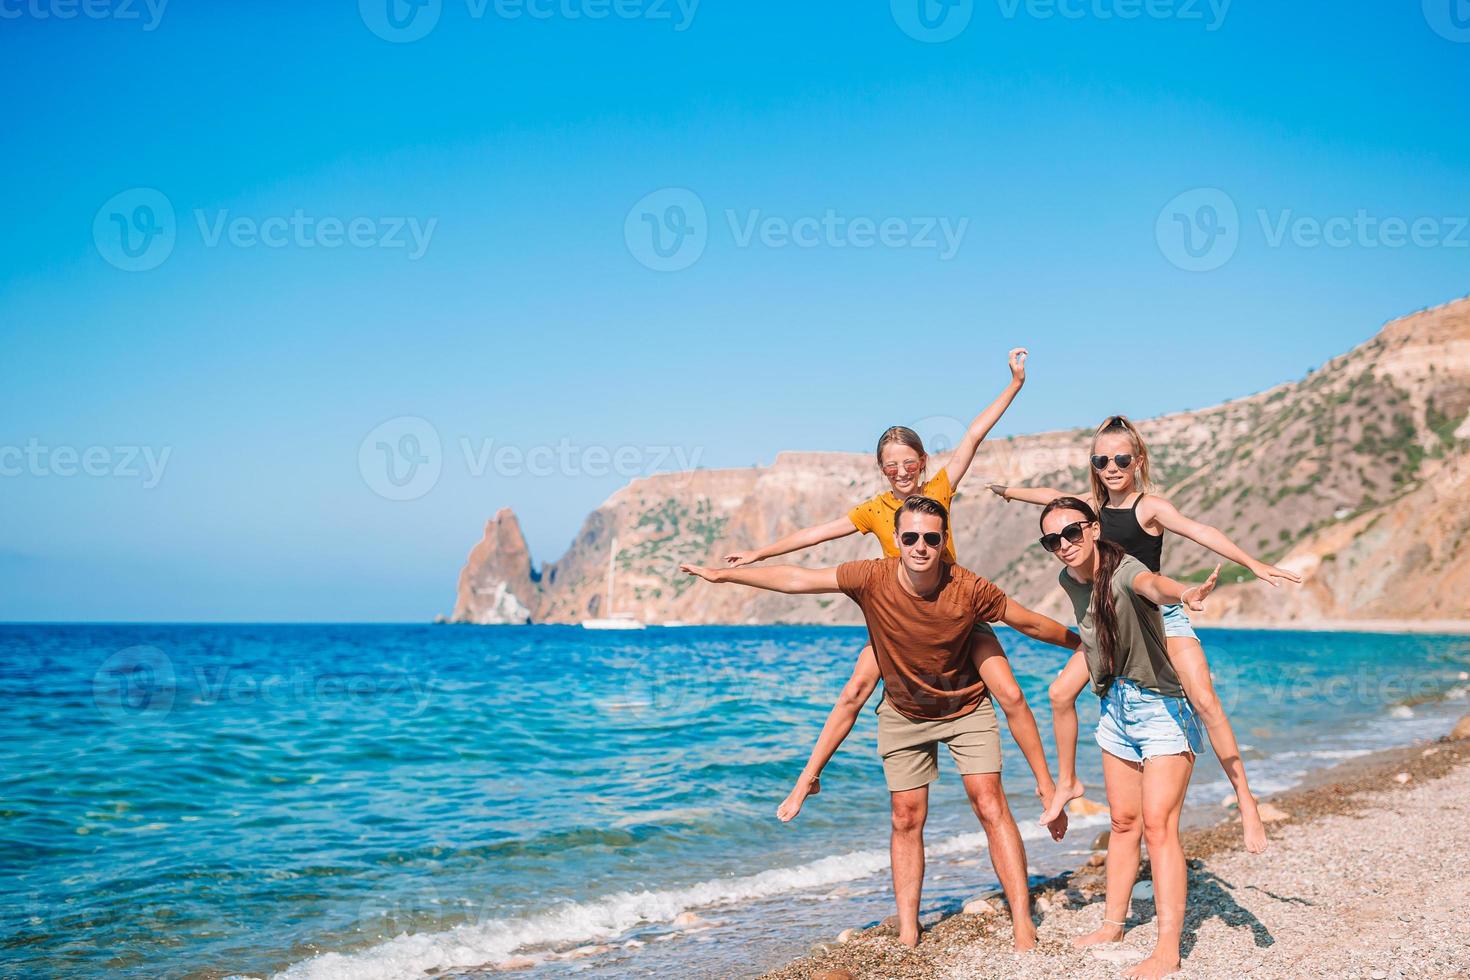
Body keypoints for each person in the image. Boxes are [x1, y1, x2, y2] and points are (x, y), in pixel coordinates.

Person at [682, 496, 1080, 951]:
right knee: (906, 817)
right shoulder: (871, 576)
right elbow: (797, 579)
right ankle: (909, 929)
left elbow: (1029, 623)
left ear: (943, 540)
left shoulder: (968, 588)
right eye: (910, 537)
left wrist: (1085, 645)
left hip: (966, 706)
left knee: (989, 803)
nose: (920, 547)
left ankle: (1023, 922)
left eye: (931, 538)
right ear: (897, 540)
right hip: (904, 711)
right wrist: (725, 574)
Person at [725, 350, 1062, 824]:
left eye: (908, 463)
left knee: (1009, 694)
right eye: (891, 466)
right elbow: (816, 534)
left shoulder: (939, 490)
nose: (901, 472)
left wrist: (1015, 384)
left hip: (956, 615)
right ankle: (807, 778)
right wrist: (759, 554)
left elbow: (973, 436)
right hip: (900, 626)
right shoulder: (873, 509)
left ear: (922, 463)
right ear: (881, 469)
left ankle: (1049, 789)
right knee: (855, 690)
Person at [990, 415, 1297, 851]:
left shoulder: (1148, 507)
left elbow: (1198, 529)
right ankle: (1069, 782)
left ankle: (1245, 800)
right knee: (1060, 694)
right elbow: (1045, 497)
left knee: (1205, 700)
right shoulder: (1088, 511)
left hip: (1159, 618)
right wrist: (1006, 492)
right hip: (1112, 629)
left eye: (1120, 458)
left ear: (1138, 460)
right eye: (1101, 460)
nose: (1111, 467)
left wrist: (1252, 563)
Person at [1037, 496, 1220, 979]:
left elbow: (1151, 584)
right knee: (1122, 822)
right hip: (1116, 707)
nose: (1065, 545)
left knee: (1159, 828)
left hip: (1163, 707)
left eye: (1073, 532)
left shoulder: (1124, 569)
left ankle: (1167, 948)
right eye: (1052, 540)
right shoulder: (1067, 579)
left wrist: (1183, 593)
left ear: (1094, 529)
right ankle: (1112, 925)